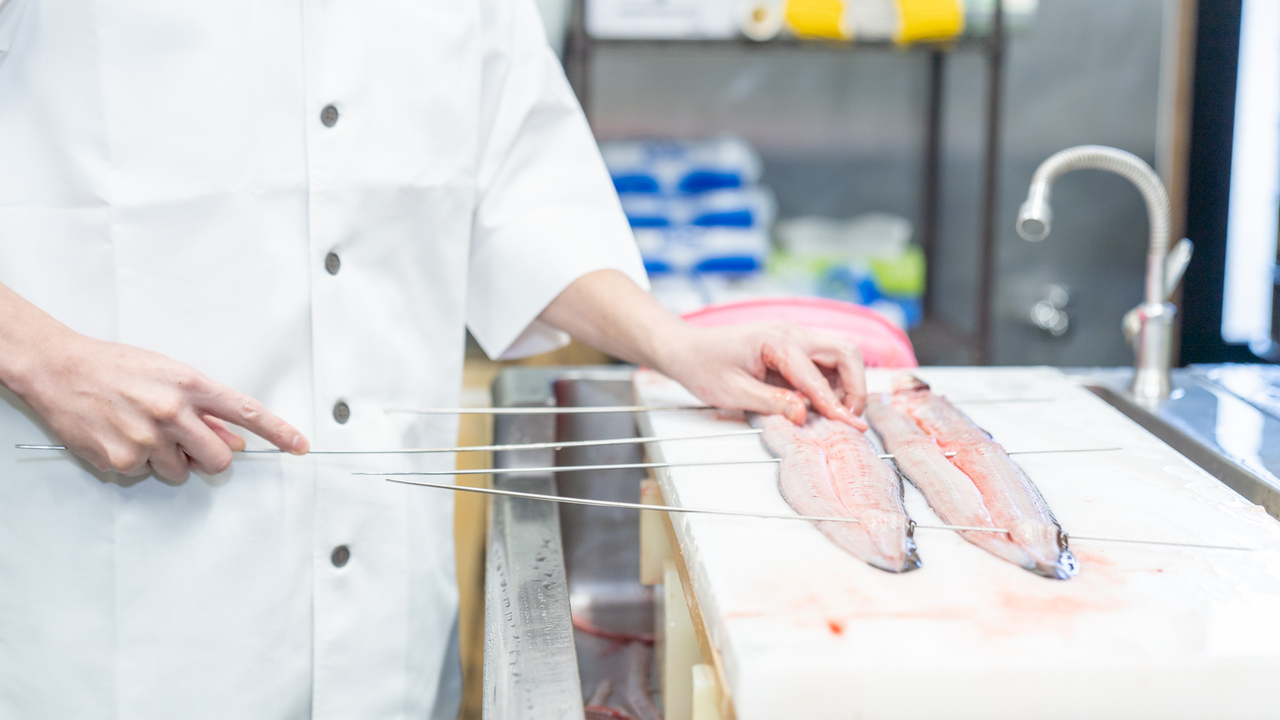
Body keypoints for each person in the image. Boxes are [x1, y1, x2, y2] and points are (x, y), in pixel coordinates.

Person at [0, 0, 867, 717]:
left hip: (384, 599)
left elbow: (516, 190)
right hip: (104, 592)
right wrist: (40, 356)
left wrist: (676, 343)